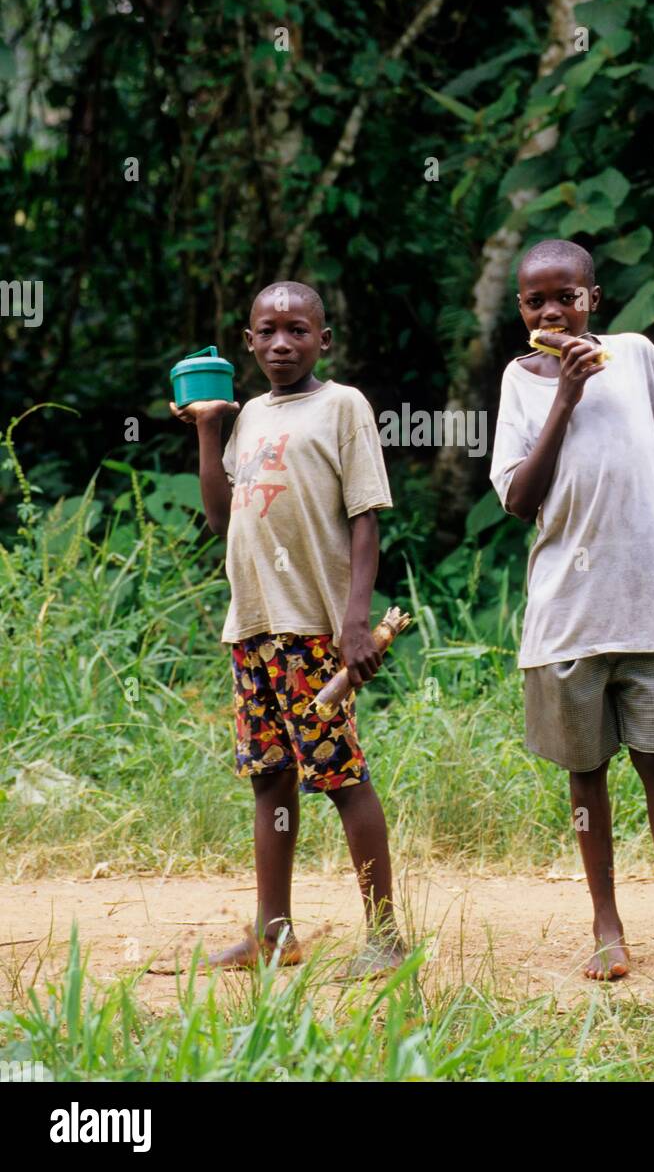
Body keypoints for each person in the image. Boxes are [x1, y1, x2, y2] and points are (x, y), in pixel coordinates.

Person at [489, 238, 654, 981]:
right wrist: (565, 394)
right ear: (521, 310)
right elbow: (520, 501)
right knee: (585, 772)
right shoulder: (521, 382)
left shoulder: (637, 355)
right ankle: (606, 924)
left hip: (650, 605)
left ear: (594, 297)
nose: (553, 310)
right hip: (569, 614)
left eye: (567, 294)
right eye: (537, 300)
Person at [171, 280, 403, 977]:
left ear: (322, 340)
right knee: (268, 780)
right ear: (247, 342)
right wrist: (210, 428)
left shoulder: (343, 407)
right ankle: (274, 933)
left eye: (297, 330)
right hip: (253, 628)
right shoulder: (246, 420)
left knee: (341, 778)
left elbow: (366, 518)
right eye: (267, 331)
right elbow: (221, 519)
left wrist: (354, 622)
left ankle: (386, 937)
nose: (281, 342)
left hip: (311, 631)